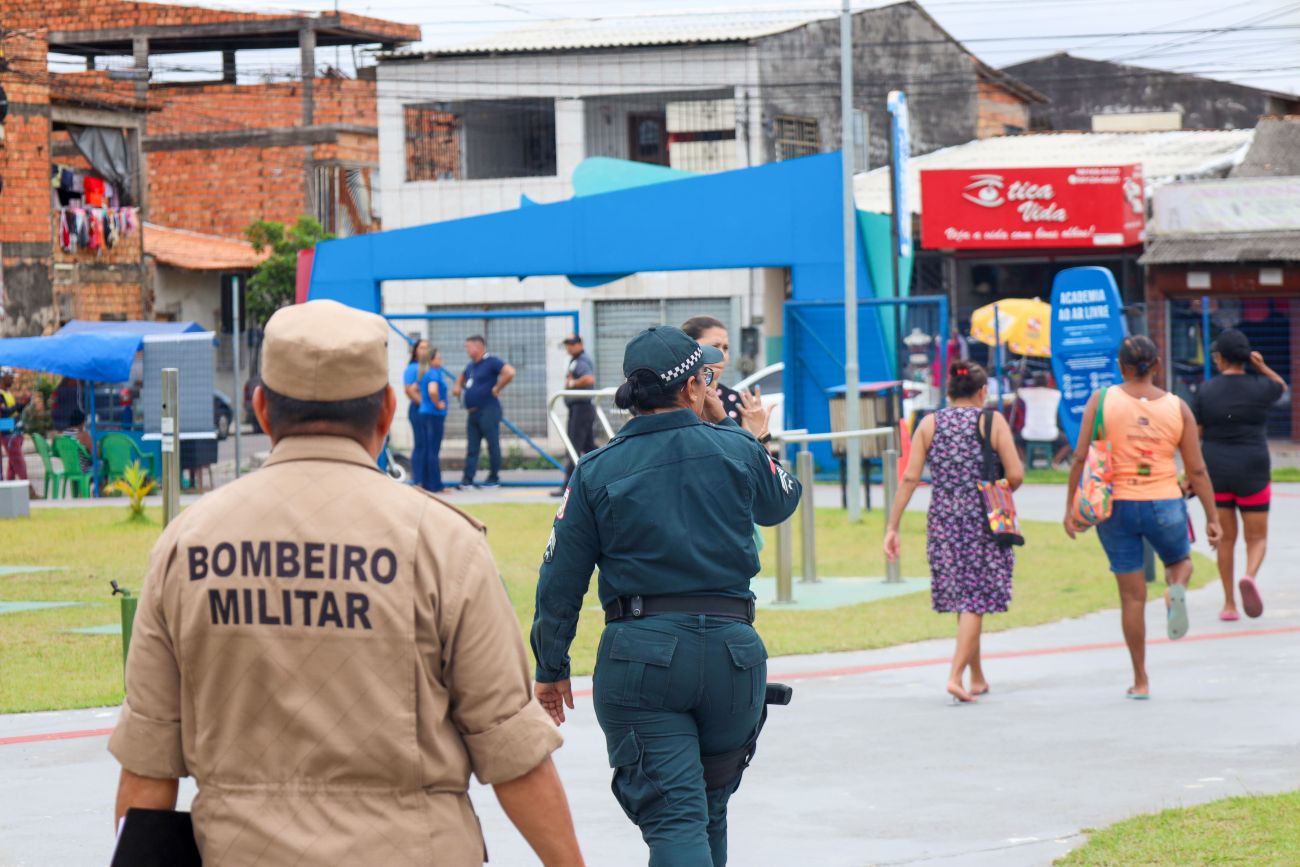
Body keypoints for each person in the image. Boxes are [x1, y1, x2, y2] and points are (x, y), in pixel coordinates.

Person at [109, 299, 583, 866]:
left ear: (261, 409)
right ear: (387, 410)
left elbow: (148, 767)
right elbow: (513, 752)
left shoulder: (187, 545)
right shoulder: (442, 543)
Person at [532, 325, 797, 867]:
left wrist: (551, 664)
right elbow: (781, 501)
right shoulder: (737, 450)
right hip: (732, 655)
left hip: (641, 658)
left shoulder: (596, 470)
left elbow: (560, 578)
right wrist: (744, 433)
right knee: (708, 810)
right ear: (693, 386)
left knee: (679, 818)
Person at [1063, 335, 1222, 700]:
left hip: (1115, 505)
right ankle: (1175, 589)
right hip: (1165, 500)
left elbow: (1079, 456)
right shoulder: (1178, 407)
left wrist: (1071, 505)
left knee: (1132, 599)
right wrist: (1212, 516)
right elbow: (1196, 470)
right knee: (1180, 562)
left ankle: (1140, 679)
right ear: (1158, 365)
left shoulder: (1101, 400)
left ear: (1120, 367)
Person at [883, 360, 1024, 704]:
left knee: (965, 597)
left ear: (948, 392)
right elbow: (1017, 474)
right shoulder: (992, 421)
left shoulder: (929, 423)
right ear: (982, 392)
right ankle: (956, 676)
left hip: (943, 518)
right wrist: (996, 489)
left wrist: (893, 525)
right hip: (983, 518)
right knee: (975, 598)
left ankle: (977, 675)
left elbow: (911, 477)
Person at [1192, 329, 1287, 621]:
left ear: (1219, 358)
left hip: (1217, 471)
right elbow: (1281, 386)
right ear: (1247, 358)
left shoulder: (1205, 391)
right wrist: (1261, 366)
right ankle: (1249, 576)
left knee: (1226, 540)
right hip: (1253, 468)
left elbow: (1196, 436)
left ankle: (1230, 604)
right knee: (1256, 537)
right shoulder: (1260, 386)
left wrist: (1191, 474)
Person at [453, 335, 515, 489]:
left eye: (468, 346)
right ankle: (468, 480)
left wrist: (497, 388)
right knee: (472, 448)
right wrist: (457, 387)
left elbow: (510, 372)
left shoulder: (491, 362)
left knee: (492, 445)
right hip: (473, 413)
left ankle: (493, 478)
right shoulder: (471, 366)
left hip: (488, 410)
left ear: (478, 347)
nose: (466, 350)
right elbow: (461, 378)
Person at [552, 334, 597, 497]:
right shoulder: (575, 361)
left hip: (581, 408)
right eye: (567, 344)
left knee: (573, 448)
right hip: (579, 409)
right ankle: (604, 474)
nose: (569, 347)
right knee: (589, 447)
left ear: (580, 344)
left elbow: (589, 379)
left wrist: (572, 383)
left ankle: (567, 487)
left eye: (572, 343)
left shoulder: (582, 360)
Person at [417, 345, 450, 493]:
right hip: (434, 415)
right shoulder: (434, 373)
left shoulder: (426, 373)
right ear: (431, 360)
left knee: (427, 449)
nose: (441, 360)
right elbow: (433, 390)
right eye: (439, 357)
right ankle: (436, 485)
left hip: (425, 414)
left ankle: (425, 482)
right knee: (433, 450)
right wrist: (438, 404)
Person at [403, 337, 429, 487]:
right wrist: (424, 405)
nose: (424, 350)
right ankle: (418, 479)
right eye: (421, 348)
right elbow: (408, 390)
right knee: (420, 444)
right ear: (415, 351)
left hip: (428, 411)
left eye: (427, 348)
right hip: (418, 410)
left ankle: (426, 479)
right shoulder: (413, 368)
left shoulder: (428, 367)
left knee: (428, 445)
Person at [0, 368, 30, 486]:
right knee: (18, 462)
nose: (13, 379)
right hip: (7, 432)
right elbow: (4, 413)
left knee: (13, 465)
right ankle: (28, 489)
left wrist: (23, 404)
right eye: (11, 376)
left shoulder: (7, 393)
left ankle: (8, 489)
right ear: (2, 377)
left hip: (13, 431)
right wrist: (20, 404)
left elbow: (13, 412)